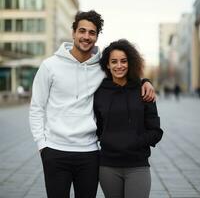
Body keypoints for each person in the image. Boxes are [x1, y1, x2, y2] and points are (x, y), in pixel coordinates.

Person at [29, 11, 156, 198]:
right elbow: (36, 108)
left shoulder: (102, 68)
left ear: (96, 37)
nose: (86, 36)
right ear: (73, 33)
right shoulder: (49, 66)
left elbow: (123, 73)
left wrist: (145, 81)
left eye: (92, 33)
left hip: (89, 153)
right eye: (82, 31)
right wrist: (42, 145)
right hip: (55, 151)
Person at [94, 39, 163, 198]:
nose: (119, 65)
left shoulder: (144, 90)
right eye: (114, 61)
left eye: (124, 61)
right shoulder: (99, 92)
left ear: (130, 63)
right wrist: (108, 140)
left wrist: (134, 142)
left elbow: (156, 131)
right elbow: (97, 127)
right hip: (108, 166)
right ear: (107, 65)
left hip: (137, 165)